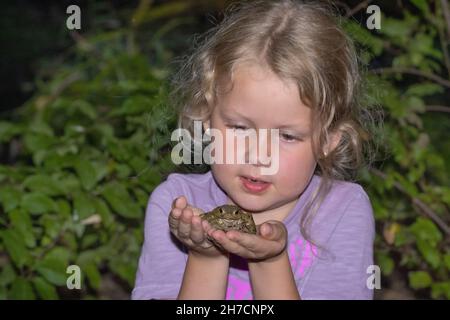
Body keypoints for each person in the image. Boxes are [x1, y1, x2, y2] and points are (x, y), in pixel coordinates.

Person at [132, 0, 376, 300]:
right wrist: (206, 256)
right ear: (207, 119)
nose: (258, 155)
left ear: (328, 140)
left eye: (286, 136)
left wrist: (270, 261)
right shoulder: (177, 207)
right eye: (239, 128)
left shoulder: (342, 212)